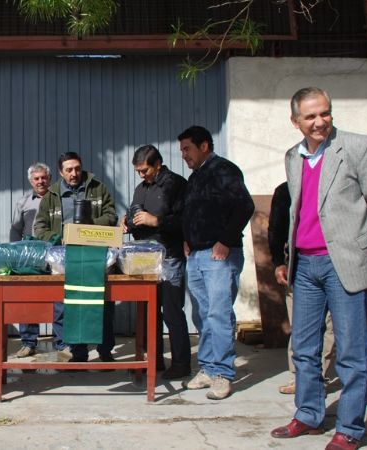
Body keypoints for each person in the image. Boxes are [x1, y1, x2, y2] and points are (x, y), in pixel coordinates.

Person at [270, 87, 367, 450]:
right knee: (305, 349)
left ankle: (350, 428)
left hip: (344, 263)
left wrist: (361, 238)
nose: (319, 121)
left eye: (324, 113)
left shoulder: (358, 146)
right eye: (310, 116)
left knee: (351, 352)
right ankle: (308, 415)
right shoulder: (293, 156)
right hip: (304, 265)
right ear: (296, 122)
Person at [179, 125, 254, 400]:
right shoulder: (195, 178)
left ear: (204, 146)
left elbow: (245, 206)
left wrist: (225, 240)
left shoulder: (224, 170)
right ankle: (208, 368)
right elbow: (192, 213)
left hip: (219, 255)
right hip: (197, 255)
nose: (184, 155)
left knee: (219, 314)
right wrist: (187, 239)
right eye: (182, 150)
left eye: (187, 148)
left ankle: (223, 373)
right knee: (201, 314)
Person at [34, 151, 117, 363]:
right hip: (66, 258)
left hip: (95, 256)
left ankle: (105, 351)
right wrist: (59, 238)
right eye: (69, 170)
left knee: (102, 303)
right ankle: (77, 353)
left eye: (77, 168)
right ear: (61, 173)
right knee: (71, 305)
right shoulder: (52, 195)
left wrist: (87, 229)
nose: (74, 173)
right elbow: (39, 227)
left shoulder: (98, 188)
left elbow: (111, 216)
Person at [121, 144, 190, 379]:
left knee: (172, 312)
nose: (141, 175)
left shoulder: (176, 185)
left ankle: (181, 364)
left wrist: (156, 221)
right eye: (138, 171)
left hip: (170, 256)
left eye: (145, 170)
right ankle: (154, 360)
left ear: (158, 164)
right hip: (145, 258)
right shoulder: (142, 188)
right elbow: (134, 214)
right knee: (150, 312)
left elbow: (185, 221)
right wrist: (128, 223)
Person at [268, 181, 335, 395]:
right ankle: (299, 376)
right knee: (301, 324)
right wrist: (279, 262)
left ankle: (320, 377)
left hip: (336, 262)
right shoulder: (284, 191)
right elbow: (275, 229)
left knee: (331, 326)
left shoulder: (334, 186)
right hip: (298, 263)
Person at [9, 162, 51, 358]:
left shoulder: (57, 200)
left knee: (59, 299)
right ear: (30, 181)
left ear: (49, 179)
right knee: (27, 298)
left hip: (54, 253)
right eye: (36, 178)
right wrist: (14, 254)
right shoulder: (23, 202)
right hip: (28, 254)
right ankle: (28, 342)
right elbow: (16, 229)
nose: (40, 181)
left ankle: (62, 343)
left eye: (43, 177)